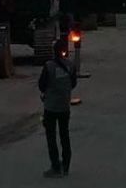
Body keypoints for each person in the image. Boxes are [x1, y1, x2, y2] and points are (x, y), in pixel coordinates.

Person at [38, 37, 76, 177]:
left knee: (51, 137)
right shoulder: (71, 65)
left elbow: (41, 85)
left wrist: (50, 92)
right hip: (64, 107)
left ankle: (55, 167)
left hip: (51, 107)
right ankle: (66, 166)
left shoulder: (49, 66)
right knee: (64, 135)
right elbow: (73, 83)